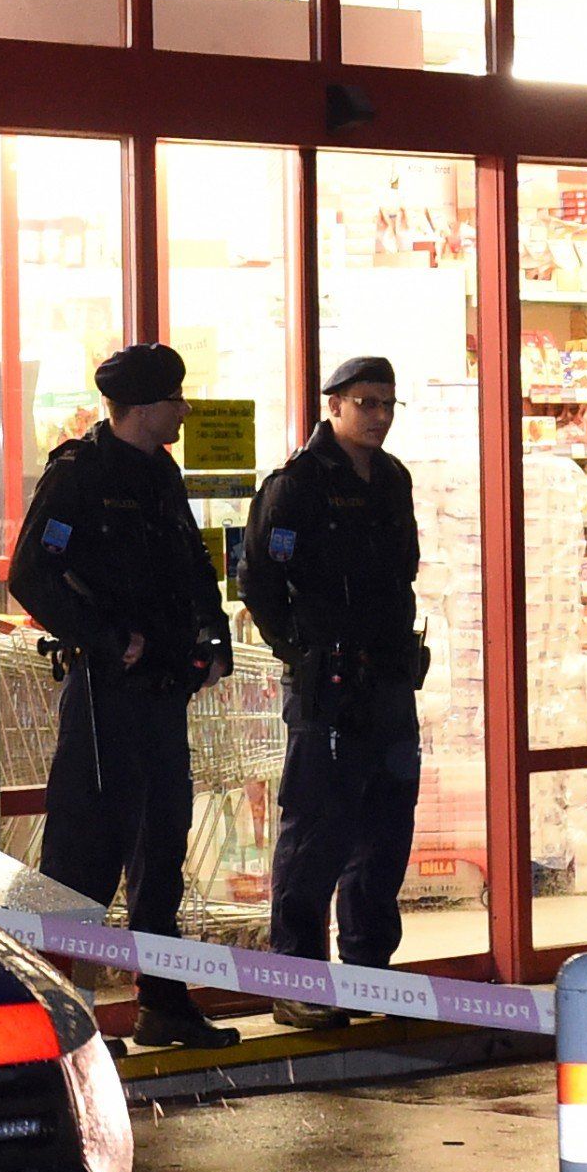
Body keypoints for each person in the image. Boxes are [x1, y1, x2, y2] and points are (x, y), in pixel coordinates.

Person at [6, 342, 239, 1049]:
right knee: (83, 857)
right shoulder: (81, 475)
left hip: (164, 694)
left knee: (162, 850)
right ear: (141, 407)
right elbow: (30, 575)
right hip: (106, 697)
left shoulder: (160, 473)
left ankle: (163, 1003)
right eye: (174, 398)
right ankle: (66, 1015)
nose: (185, 409)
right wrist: (107, 638)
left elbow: (194, 565)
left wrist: (214, 635)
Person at [236, 357, 426, 1026]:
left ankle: (370, 972)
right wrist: (302, 652)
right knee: (316, 833)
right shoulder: (299, 485)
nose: (378, 416)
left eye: (387, 404)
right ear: (336, 406)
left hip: (389, 682)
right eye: (366, 402)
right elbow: (258, 581)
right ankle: (297, 982)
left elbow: (401, 572)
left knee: (385, 832)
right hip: (330, 687)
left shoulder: (392, 479)